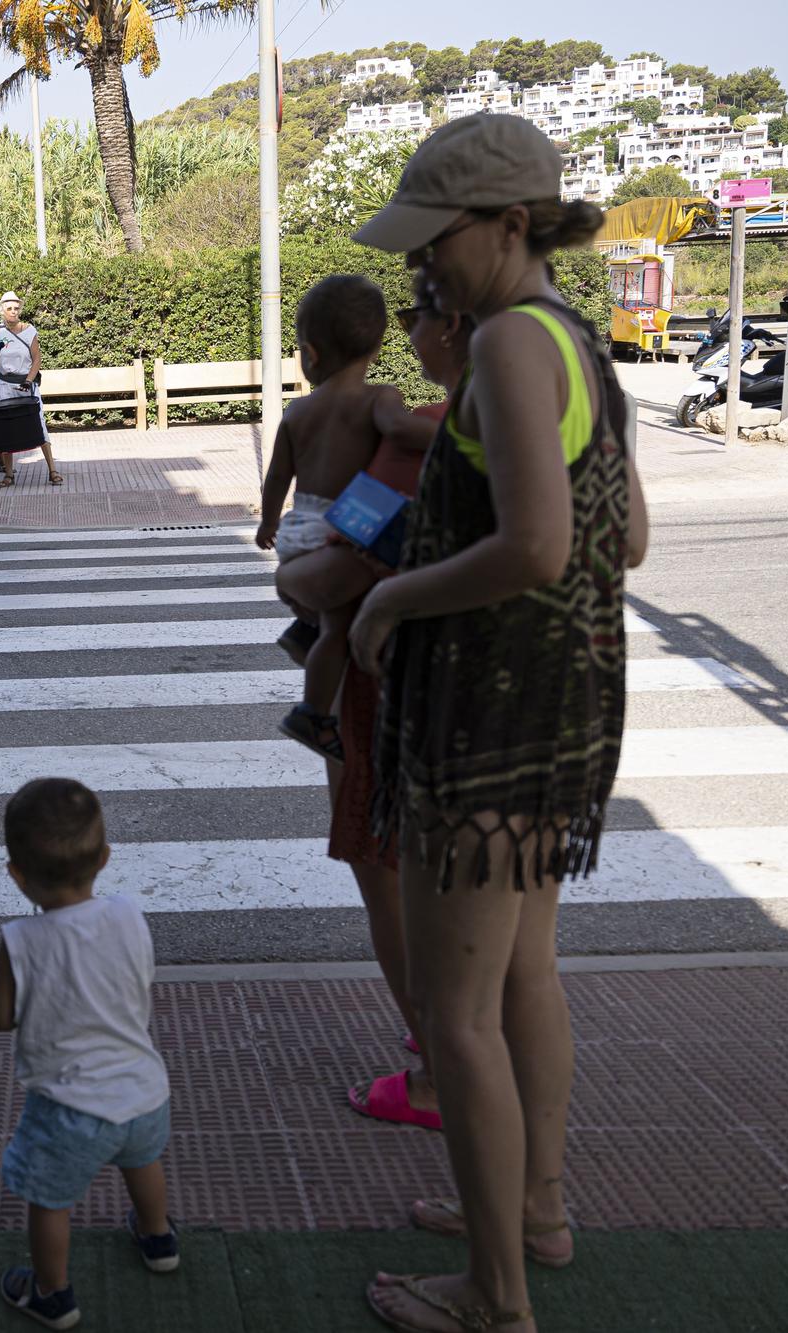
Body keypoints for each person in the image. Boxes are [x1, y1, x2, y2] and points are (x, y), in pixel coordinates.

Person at [349, 114, 649, 1332]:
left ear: (511, 226)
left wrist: (390, 592)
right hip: (562, 710)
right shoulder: (578, 341)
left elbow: (536, 542)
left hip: (485, 715)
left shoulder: (509, 346)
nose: (425, 268)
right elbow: (623, 537)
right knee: (524, 974)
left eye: (439, 241)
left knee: (456, 1013)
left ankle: (493, 1297)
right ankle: (534, 1212)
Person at [337, 273, 465, 1137]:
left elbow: (337, 553)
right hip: (494, 692)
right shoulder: (568, 419)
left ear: (451, 325)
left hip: (395, 692)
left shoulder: (422, 434)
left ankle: (434, 1069)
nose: (408, 330)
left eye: (415, 313)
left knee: (389, 875)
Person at [0, 779, 177, 1331]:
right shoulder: (128, 915)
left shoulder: (21, 939)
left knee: (49, 1200)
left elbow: (1, 1018)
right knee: (143, 1162)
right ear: (106, 857)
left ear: (16, 874)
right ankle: (158, 1238)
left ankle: (52, 1293)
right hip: (143, 1090)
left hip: (70, 1106)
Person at [255, 275, 395, 762]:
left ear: (309, 355)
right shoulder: (380, 399)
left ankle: (302, 635)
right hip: (339, 527)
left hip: (300, 525)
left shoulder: (298, 412)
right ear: (376, 350)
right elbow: (402, 432)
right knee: (341, 626)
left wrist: (267, 524)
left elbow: (277, 478)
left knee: (326, 618)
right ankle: (313, 713)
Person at [0, 292, 62, 487]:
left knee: (39, 424)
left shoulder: (29, 330)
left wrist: (29, 381)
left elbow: (37, 359)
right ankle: (9, 474)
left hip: (26, 385)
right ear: (2, 310)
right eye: (9, 308)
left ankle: (52, 470)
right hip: (5, 385)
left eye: (16, 308)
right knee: (7, 428)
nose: (13, 312)